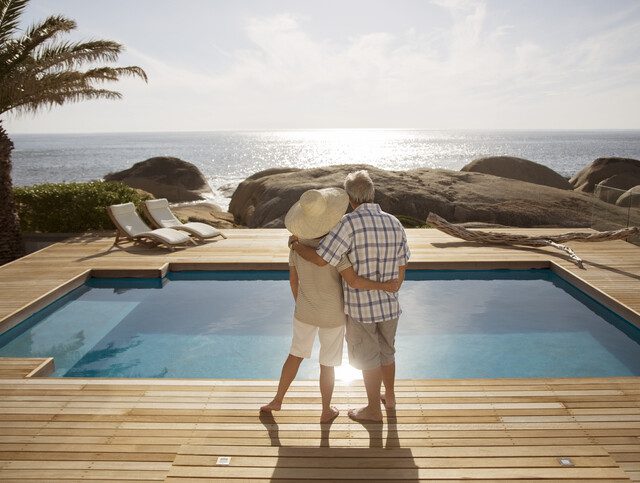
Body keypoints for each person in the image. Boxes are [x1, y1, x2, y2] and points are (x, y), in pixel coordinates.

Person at [260, 187, 399, 423]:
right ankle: (326, 410)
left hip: (304, 311)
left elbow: (294, 282)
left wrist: (303, 303)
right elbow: (352, 280)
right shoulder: (338, 251)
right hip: (333, 315)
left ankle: (278, 399)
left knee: (295, 355)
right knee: (328, 364)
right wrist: (386, 286)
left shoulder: (295, 247)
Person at [290, 170, 410, 423]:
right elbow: (401, 270)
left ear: (349, 197)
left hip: (361, 307)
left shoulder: (348, 224)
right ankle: (389, 397)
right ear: (372, 192)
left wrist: (297, 246)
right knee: (387, 352)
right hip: (390, 306)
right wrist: (389, 286)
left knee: (368, 357)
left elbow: (322, 259)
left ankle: (373, 411)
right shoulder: (394, 222)